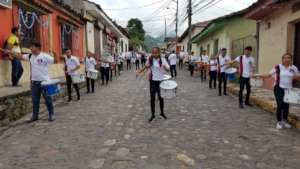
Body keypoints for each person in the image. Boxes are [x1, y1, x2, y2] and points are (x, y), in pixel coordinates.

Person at [12, 42, 55, 122]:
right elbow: (20, 56)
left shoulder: (45, 56)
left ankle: (51, 114)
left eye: (32, 47)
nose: (30, 48)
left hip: (44, 82)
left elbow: (53, 60)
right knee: (35, 100)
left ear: (37, 48)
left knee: (48, 99)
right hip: (34, 83)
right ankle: (35, 116)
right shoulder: (30, 56)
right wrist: (12, 53)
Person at [256, 53, 300, 129]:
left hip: (288, 89)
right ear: (282, 59)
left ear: (291, 59)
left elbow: (298, 76)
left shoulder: (293, 68)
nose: (287, 59)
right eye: (285, 58)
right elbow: (269, 75)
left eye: (289, 58)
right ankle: (279, 122)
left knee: (286, 106)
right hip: (278, 88)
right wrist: (258, 75)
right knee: (280, 105)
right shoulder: (278, 67)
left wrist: (293, 78)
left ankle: (285, 121)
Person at [141, 47, 170, 122]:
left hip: (161, 81)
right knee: (152, 98)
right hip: (152, 81)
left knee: (161, 98)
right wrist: (141, 70)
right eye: (153, 53)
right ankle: (153, 114)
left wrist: (165, 67)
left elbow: (168, 69)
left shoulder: (163, 60)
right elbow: (146, 66)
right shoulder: (150, 59)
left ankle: (162, 113)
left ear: (159, 52)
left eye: (156, 52)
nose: (154, 54)